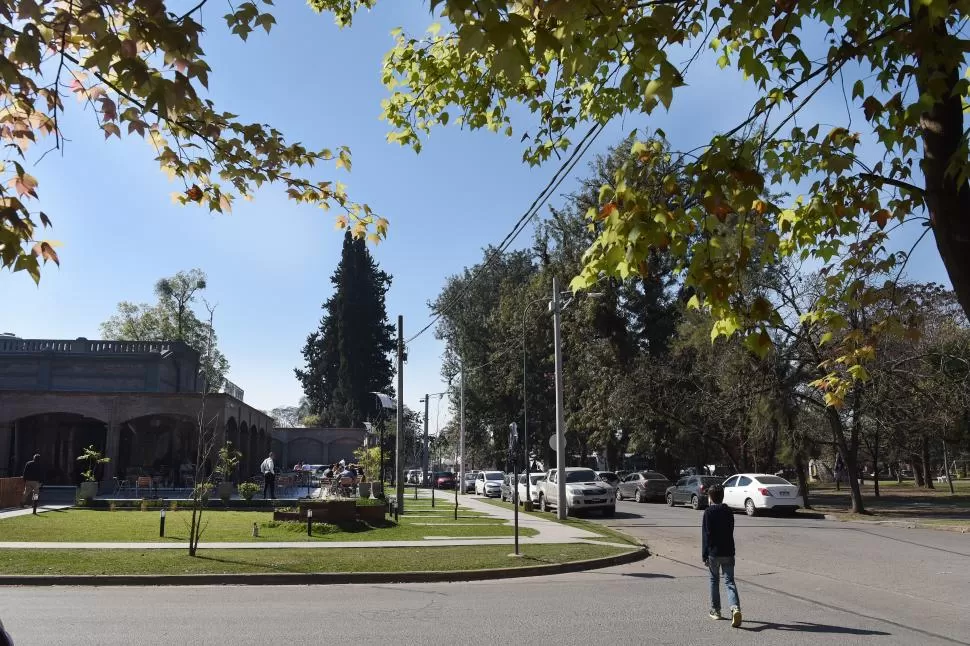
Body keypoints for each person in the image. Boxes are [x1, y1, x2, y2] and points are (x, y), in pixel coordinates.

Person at [702, 484, 742, 628]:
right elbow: (730, 529)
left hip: (714, 552)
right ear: (723, 496)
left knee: (714, 581)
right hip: (729, 551)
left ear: (710, 497)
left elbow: (707, 535)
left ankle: (716, 610)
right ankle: (735, 608)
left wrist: (704, 554)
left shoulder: (708, 512)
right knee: (729, 581)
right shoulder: (728, 511)